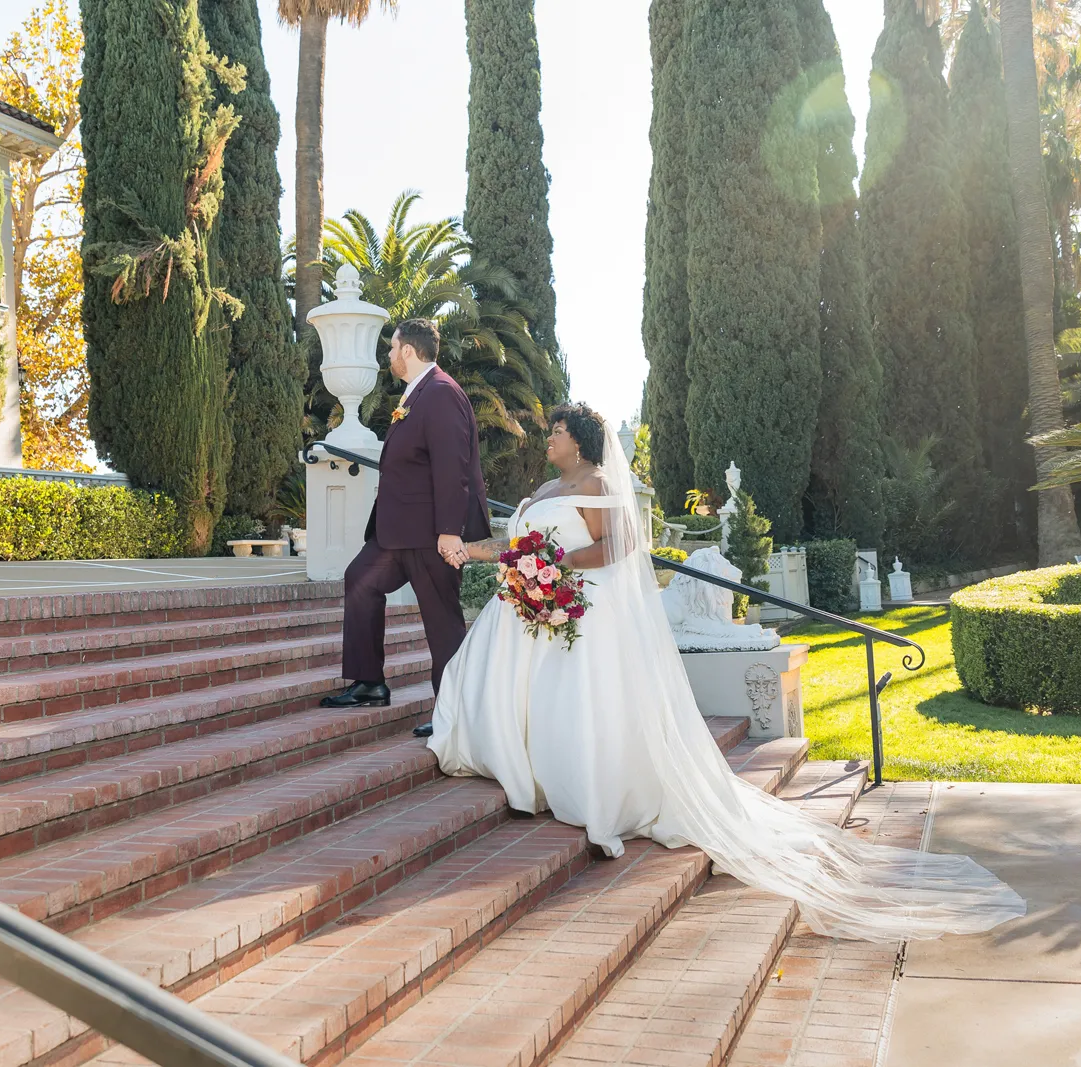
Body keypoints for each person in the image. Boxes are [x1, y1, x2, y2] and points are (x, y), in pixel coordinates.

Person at [426, 402, 1026, 943]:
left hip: (577, 604)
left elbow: (613, 550)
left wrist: (551, 565)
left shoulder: (598, 482)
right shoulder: (543, 486)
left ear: (578, 440)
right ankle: (514, 759)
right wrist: (475, 551)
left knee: (575, 700)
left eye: (556, 431)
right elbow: (518, 545)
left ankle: (581, 781)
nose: (548, 439)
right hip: (532, 603)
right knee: (505, 687)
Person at [320, 318, 491, 720]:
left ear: (409, 351)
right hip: (396, 532)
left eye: (393, 349)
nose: (391, 356)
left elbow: (453, 467)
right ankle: (368, 682)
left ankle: (452, 714)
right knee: (360, 581)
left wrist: (450, 532)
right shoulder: (417, 394)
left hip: (432, 533)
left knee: (441, 619)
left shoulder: (441, 394)